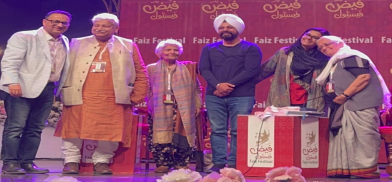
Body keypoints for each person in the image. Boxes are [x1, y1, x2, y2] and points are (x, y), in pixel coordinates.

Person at [54, 13, 149, 175]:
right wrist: (59, 91)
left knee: (110, 130)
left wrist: (137, 96)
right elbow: (61, 68)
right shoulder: (77, 43)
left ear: (116, 28)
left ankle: (102, 161)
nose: (99, 28)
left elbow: (140, 71)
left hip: (114, 98)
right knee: (72, 129)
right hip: (79, 95)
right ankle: (71, 161)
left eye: (105, 26)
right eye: (96, 25)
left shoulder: (128, 45)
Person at [0, 10, 71, 174]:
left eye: (64, 23)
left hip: (47, 88)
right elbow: (10, 62)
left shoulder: (64, 40)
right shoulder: (24, 36)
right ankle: (10, 163)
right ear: (45, 22)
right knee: (15, 127)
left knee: (35, 128)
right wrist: (13, 82)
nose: (59, 25)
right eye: (55, 21)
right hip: (21, 88)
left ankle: (27, 162)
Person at [315, 35, 391, 179]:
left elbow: (363, 77)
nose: (324, 49)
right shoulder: (337, 61)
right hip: (345, 106)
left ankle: (365, 171)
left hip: (361, 105)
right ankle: (347, 170)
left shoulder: (351, 56)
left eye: (327, 44)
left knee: (363, 137)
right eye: (321, 48)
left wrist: (344, 95)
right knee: (346, 138)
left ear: (340, 43)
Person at [199, 14, 262, 172]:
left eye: (229, 27)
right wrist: (218, 85)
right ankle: (219, 164)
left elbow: (251, 71)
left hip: (242, 95)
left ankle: (235, 164)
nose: (225, 30)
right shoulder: (209, 49)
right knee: (217, 130)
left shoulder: (251, 48)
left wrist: (229, 85)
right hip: (214, 95)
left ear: (238, 29)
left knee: (237, 130)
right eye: (222, 27)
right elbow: (204, 69)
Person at [146, 39, 202, 173]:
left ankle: (181, 163)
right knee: (161, 134)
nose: (172, 52)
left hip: (183, 106)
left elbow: (197, 88)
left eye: (176, 50)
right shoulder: (151, 68)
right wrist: (152, 103)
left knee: (182, 133)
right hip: (159, 107)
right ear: (160, 52)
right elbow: (146, 88)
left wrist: (197, 105)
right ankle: (163, 163)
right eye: (168, 50)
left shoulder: (188, 69)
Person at [256, 28, 330, 112]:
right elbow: (263, 71)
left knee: (310, 125)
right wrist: (242, 83)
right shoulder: (285, 53)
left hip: (312, 101)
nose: (309, 38)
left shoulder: (324, 59)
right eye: (308, 34)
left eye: (315, 38)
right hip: (283, 100)